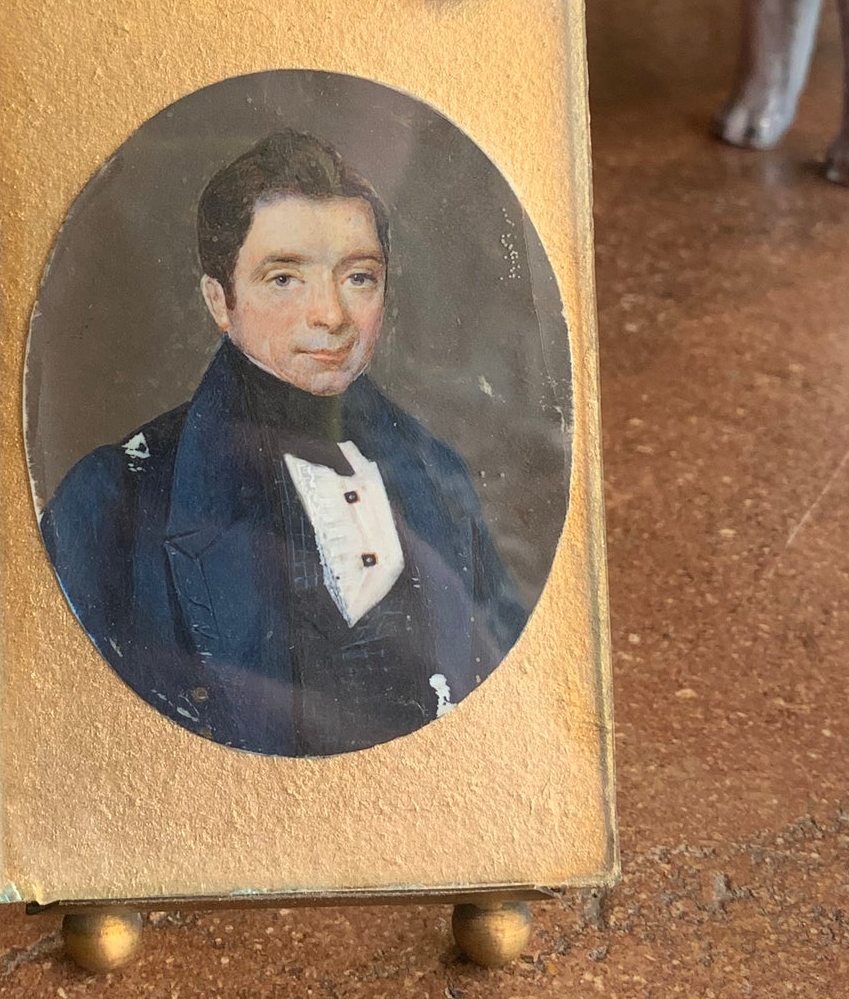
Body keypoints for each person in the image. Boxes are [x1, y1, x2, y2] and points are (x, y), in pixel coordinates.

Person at [42, 130, 528, 757]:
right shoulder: (114, 499)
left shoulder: (438, 475)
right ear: (220, 301)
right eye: (284, 279)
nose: (331, 314)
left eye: (359, 277)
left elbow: (509, 692)